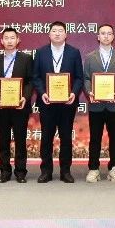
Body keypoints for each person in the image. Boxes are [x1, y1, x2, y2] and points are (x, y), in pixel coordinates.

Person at [33, 21, 84, 183]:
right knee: (46, 138)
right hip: (47, 103)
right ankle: (46, 171)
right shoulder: (40, 52)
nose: (57, 33)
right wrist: (42, 93)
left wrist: (73, 93)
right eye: (54, 31)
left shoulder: (74, 52)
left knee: (66, 137)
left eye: (60, 31)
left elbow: (79, 77)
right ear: (49, 34)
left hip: (67, 103)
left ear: (66, 34)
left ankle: (65, 171)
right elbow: (35, 77)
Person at [83, 23, 115, 182]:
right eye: (103, 33)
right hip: (96, 105)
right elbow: (86, 78)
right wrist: (89, 91)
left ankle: (113, 168)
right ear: (98, 37)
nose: (106, 36)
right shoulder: (90, 57)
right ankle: (93, 169)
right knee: (95, 138)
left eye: (109, 33)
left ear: (113, 37)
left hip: (114, 105)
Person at [0, 27, 34, 183]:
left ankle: (20, 171)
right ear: (1, 41)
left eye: (12, 38)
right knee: (3, 140)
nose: (9, 41)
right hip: (1, 106)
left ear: (18, 40)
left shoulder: (26, 59)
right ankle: (5, 171)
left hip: (20, 106)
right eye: (6, 38)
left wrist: (25, 97)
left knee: (20, 139)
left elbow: (30, 81)